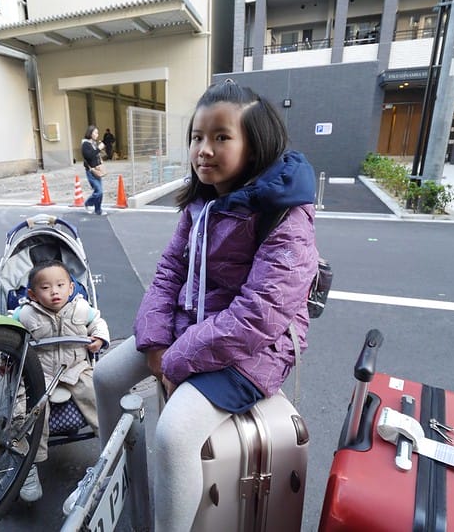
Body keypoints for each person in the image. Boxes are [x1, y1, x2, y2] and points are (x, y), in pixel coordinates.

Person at [74, 80, 319, 528]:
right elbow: (169, 271)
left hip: (253, 353)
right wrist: (153, 340)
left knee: (173, 434)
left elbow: (257, 317)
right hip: (194, 329)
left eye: (221, 137)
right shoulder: (203, 203)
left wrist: (175, 358)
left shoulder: (285, 216)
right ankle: (115, 484)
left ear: (255, 145)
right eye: (197, 137)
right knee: (106, 376)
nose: (203, 149)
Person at [13, 260, 110, 502]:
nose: (54, 291)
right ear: (33, 295)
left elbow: (97, 322)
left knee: (100, 398)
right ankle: (29, 462)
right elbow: (5, 336)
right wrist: (2, 360)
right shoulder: (24, 314)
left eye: (60, 285)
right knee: (30, 412)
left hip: (76, 367)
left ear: (71, 288)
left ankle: (111, 450)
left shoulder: (81, 309)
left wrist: (98, 337)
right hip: (41, 373)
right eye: (46, 288)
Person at [81, 125, 107, 215]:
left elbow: (97, 155)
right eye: (95, 132)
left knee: (100, 191)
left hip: (97, 169)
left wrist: (100, 150)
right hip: (91, 171)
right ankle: (88, 203)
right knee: (99, 191)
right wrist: (98, 148)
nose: (97, 134)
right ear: (90, 133)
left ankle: (98, 210)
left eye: (97, 133)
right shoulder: (85, 144)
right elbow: (89, 156)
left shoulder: (93, 143)